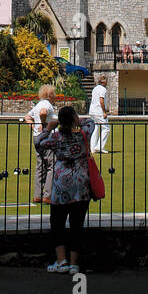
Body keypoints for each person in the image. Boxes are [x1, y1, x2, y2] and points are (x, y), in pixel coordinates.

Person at [34, 106, 95, 274]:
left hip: (62, 185)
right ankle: (74, 263)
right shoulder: (83, 135)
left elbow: (38, 143)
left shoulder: (56, 137)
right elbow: (91, 122)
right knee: (77, 224)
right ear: (74, 118)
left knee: (57, 223)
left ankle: (61, 261)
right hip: (81, 185)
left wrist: (48, 127)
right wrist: (76, 121)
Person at [23, 84, 58, 202]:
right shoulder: (46, 104)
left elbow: (27, 116)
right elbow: (43, 113)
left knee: (40, 165)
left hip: (37, 137)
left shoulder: (38, 104)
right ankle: (47, 195)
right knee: (51, 165)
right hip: (47, 137)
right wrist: (44, 126)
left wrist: (32, 125)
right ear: (50, 95)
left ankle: (37, 195)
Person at [89, 76, 110, 153]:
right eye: (106, 81)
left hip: (92, 111)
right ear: (103, 82)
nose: (107, 82)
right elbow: (101, 100)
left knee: (96, 128)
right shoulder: (103, 89)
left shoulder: (95, 88)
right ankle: (100, 146)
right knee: (106, 128)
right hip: (98, 112)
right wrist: (104, 112)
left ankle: (92, 148)